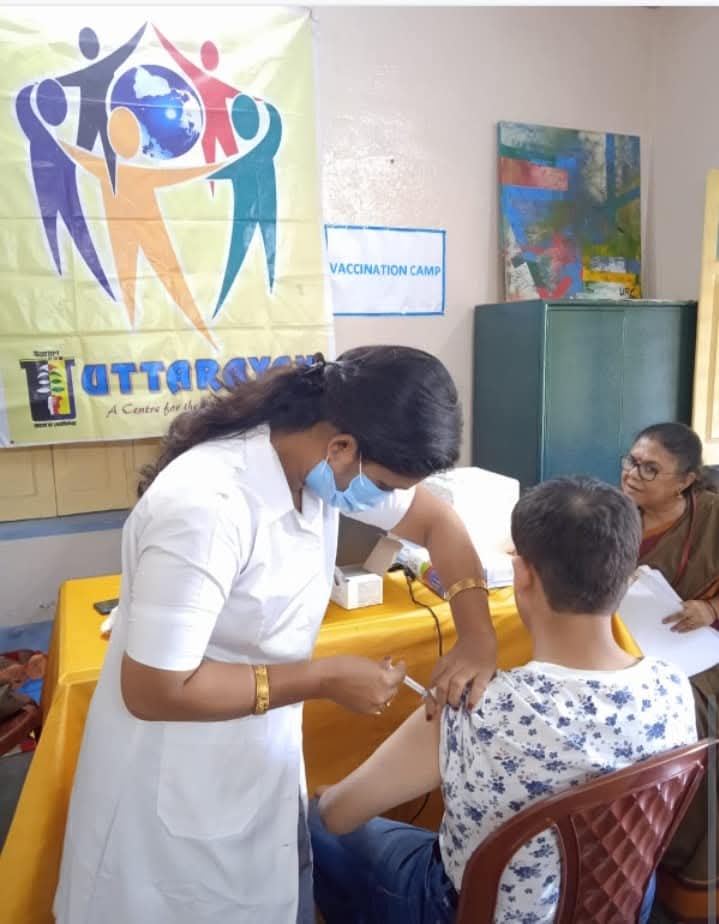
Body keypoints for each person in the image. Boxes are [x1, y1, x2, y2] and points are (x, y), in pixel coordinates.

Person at [54, 346, 498, 924]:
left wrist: (478, 635)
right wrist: (322, 676)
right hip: (173, 771)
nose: (385, 499)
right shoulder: (206, 506)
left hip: (254, 755)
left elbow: (440, 523)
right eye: (384, 482)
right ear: (340, 446)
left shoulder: (309, 466)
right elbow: (154, 688)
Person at [310, 476, 698, 924]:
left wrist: (324, 796)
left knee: (314, 821)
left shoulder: (479, 709)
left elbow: (339, 814)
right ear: (628, 573)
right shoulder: (672, 687)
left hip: (467, 911)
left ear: (521, 574)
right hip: (618, 901)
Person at [621, 421, 719, 922]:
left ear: (685, 481)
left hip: (700, 655)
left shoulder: (713, 519)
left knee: (688, 717)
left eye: (649, 469)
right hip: (621, 648)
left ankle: (678, 880)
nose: (632, 475)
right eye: (631, 461)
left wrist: (712, 610)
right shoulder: (612, 514)